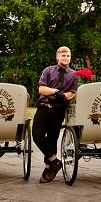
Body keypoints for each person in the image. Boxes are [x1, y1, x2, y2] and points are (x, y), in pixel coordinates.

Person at [33, 46, 79, 183]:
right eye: (63, 55)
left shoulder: (74, 75)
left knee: (52, 139)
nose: (66, 58)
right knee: (37, 135)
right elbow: (41, 89)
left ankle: (49, 168)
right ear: (57, 57)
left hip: (58, 110)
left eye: (68, 56)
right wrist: (55, 92)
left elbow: (72, 92)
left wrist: (62, 96)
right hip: (43, 107)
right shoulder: (48, 70)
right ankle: (56, 162)